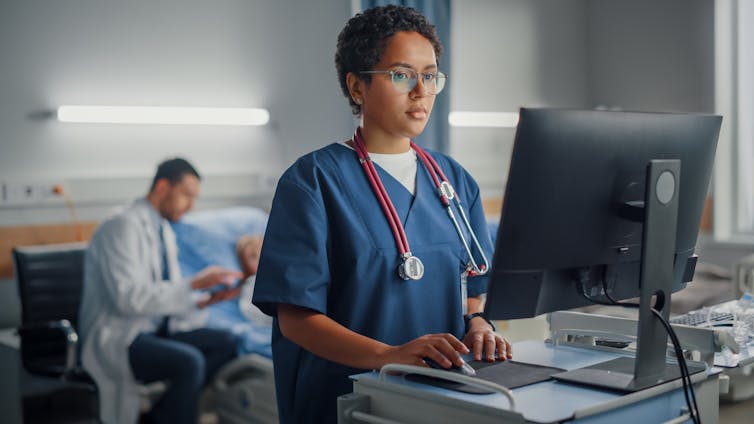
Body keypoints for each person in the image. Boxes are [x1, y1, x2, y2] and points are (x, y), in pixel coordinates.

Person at [252, 5, 512, 423]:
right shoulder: (312, 181)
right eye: (401, 74)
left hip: (441, 398)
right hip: (347, 401)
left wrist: (479, 325)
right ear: (357, 87)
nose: (420, 90)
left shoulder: (455, 181)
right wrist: (388, 356)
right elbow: (296, 320)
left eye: (429, 76)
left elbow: (473, 290)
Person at [79, 158, 243, 424]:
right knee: (189, 362)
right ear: (163, 186)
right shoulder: (121, 226)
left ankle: (161, 416)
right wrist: (193, 284)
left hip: (154, 328)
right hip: (121, 335)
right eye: (187, 195)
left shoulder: (163, 230)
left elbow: (165, 293)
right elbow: (128, 298)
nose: (191, 206)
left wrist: (204, 300)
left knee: (226, 342)